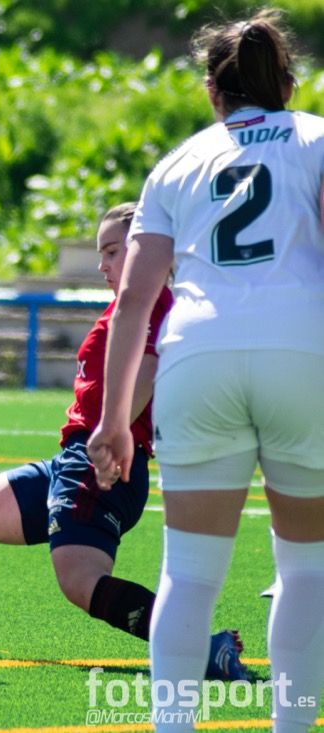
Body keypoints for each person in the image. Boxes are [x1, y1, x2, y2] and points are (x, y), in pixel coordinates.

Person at [0, 204, 247, 680]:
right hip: (71, 462)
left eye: (113, 251)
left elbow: (150, 371)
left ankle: (204, 648)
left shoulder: (152, 304)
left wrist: (112, 433)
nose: (103, 265)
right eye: (101, 253)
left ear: (148, 250)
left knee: (80, 581)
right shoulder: (130, 307)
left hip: (100, 463)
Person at [87, 10, 324, 732]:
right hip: (301, 352)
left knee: (188, 574)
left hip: (197, 358)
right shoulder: (317, 140)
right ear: (287, 84)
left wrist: (113, 420)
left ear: (212, 92)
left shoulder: (178, 164)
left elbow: (133, 301)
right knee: (306, 570)